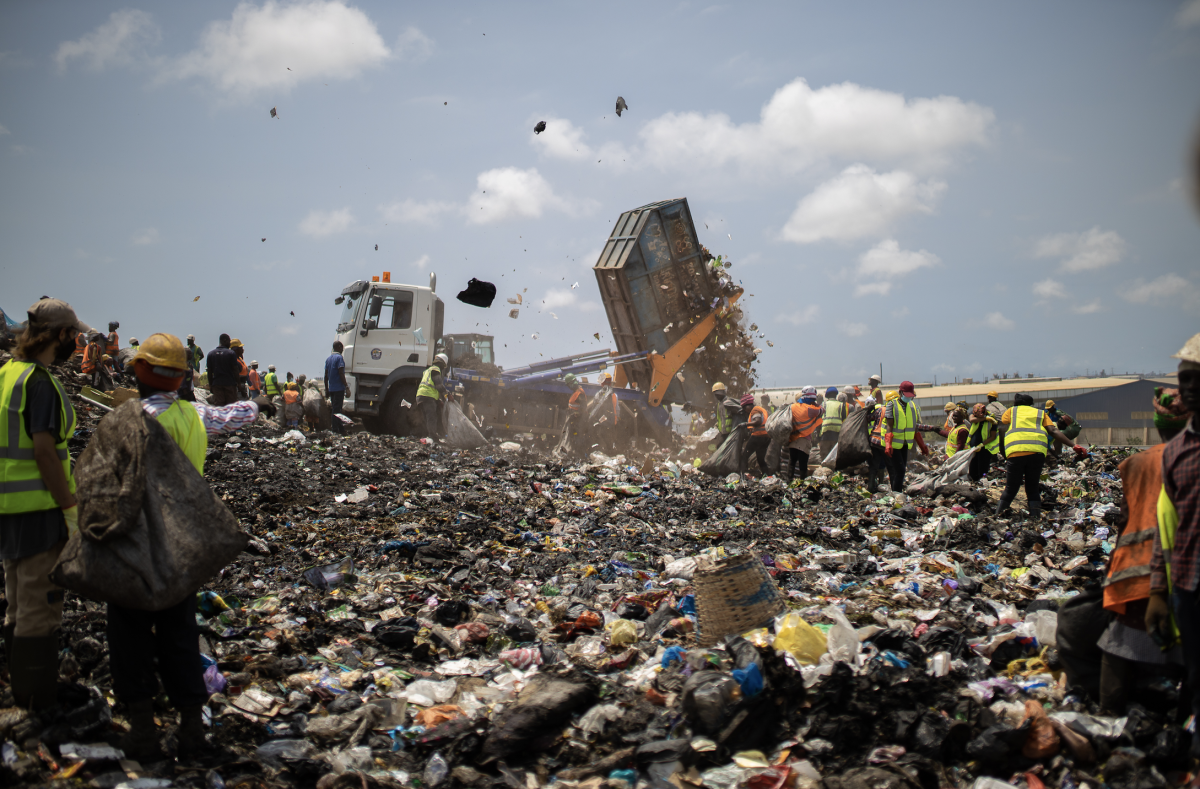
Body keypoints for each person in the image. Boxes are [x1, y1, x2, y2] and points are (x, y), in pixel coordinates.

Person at [111, 333, 272, 759]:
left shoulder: (126, 419)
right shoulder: (194, 416)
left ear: (140, 372)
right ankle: (191, 732)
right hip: (183, 542)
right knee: (179, 633)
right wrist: (258, 405)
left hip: (135, 541)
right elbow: (232, 415)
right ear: (182, 376)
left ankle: (142, 728)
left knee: (129, 632)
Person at [1, 299, 88, 710]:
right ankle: (36, 703)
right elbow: (44, 453)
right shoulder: (40, 383)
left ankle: (18, 690)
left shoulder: (7, 374)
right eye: (74, 335)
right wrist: (69, 508)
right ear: (60, 335)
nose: (76, 342)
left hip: (8, 510)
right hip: (38, 510)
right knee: (40, 607)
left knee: (17, 603)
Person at [1098, 443, 1183, 714]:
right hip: (1183, 576)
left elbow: (1126, 520)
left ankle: (1109, 724)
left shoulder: (1138, 462)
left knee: (1120, 644)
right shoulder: (1189, 457)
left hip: (1133, 570)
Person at [1146, 332, 1200, 757]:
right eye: (1185, 377)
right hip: (1187, 585)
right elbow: (1169, 524)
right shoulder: (1176, 451)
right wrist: (1159, 592)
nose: (1191, 385)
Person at [994, 393, 1087, 519]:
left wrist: (1004, 452)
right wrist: (1074, 446)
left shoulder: (1011, 411)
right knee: (1032, 489)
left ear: (1016, 403)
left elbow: (1002, 430)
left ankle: (998, 516)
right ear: (1031, 405)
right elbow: (1053, 431)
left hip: (1016, 452)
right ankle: (1035, 518)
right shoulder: (1040, 413)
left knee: (1011, 489)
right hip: (1037, 453)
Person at [883, 381, 937, 493]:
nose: (908, 398)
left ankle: (896, 493)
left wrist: (922, 446)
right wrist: (888, 444)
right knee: (900, 470)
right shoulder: (891, 405)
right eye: (906, 395)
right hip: (893, 444)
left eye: (910, 396)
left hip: (905, 443)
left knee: (900, 471)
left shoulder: (913, 406)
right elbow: (889, 425)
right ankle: (897, 495)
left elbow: (915, 428)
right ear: (900, 392)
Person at [784, 387, 822, 482]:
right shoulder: (810, 409)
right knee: (803, 462)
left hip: (793, 437)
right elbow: (822, 410)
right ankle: (802, 482)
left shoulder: (793, 407)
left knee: (792, 460)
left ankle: (788, 481)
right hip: (804, 438)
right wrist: (816, 404)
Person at [416, 353, 449, 439]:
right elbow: (438, 386)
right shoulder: (436, 369)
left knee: (427, 418)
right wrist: (448, 396)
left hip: (420, 396)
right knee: (432, 418)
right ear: (442, 364)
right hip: (427, 396)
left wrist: (438, 401)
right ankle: (432, 437)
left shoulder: (428, 370)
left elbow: (431, 386)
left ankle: (428, 437)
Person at [967, 403, 1002, 481]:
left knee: (983, 467)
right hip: (973, 448)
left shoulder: (992, 419)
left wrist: (981, 445)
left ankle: (982, 481)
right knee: (972, 466)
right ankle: (974, 481)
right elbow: (971, 419)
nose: (979, 415)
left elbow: (993, 436)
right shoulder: (975, 417)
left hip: (985, 447)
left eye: (981, 414)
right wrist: (985, 418)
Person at [740, 393, 770, 477]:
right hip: (766, 437)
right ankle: (767, 476)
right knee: (760, 459)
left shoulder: (755, 410)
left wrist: (745, 424)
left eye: (745, 408)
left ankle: (742, 476)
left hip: (758, 436)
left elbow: (758, 421)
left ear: (749, 405)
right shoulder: (761, 409)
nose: (745, 410)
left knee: (744, 456)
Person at [205, 334, 240, 406]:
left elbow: (209, 372)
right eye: (229, 341)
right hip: (229, 384)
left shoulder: (211, 354)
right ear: (225, 340)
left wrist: (211, 385)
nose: (230, 343)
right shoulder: (231, 353)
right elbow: (235, 369)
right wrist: (238, 383)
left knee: (219, 406)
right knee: (231, 406)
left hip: (217, 384)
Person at [324, 341, 348, 435]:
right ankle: (335, 429)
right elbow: (341, 373)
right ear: (338, 347)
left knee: (336, 408)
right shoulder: (339, 358)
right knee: (337, 410)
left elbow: (326, 376)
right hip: (339, 388)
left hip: (332, 389)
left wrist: (326, 389)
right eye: (342, 348)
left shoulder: (328, 359)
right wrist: (346, 386)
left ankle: (341, 429)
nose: (342, 350)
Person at [865, 395, 888, 493]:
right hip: (882, 441)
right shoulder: (883, 409)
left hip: (873, 441)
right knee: (883, 464)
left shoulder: (873, 412)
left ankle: (871, 487)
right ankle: (881, 484)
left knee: (874, 464)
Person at [819, 386, 847, 462]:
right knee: (834, 456)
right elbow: (844, 419)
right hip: (837, 433)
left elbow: (819, 420)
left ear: (827, 395)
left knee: (824, 456)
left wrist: (818, 435)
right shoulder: (841, 405)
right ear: (836, 395)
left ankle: (824, 472)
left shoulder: (823, 404)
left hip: (825, 433)